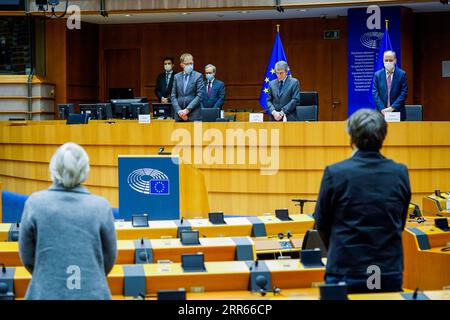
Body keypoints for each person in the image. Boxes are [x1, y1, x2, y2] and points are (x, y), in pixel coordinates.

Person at [314, 109, 411, 294]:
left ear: (351, 138)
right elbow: (400, 222)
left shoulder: (335, 173)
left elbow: (322, 224)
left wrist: (338, 248)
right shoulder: (400, 173)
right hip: (387, 268)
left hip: (345, 267)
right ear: (383, 137)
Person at [19, 143, 117, 300]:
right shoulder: (101, 206)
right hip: (91, 292)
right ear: (85, 170)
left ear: (53, 169)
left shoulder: (35, 203)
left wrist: (49, 274)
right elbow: (108, 258)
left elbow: (27, 256)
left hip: (46, 291)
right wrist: (89, 276)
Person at [372, 50, 408, 121]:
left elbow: (404, 93)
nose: (388, 62)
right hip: (381, 113)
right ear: (383, 60)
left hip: (397, 112)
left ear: (395, 61)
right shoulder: (377, 75)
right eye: (386, 60)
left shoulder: (402, 74)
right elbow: (375, 93)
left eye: (390, 60)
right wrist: (382, 109)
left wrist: (392, 108)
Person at [171, 53, 204, 122]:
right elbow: (173, 96)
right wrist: (179, 111)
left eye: (191, 63)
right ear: (181, 65)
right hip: (179, 115)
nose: (190, 66)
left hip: (194, 114)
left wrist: (187, 110)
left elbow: (200, 95)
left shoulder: (198, 76)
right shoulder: (176, 77)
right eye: (187, 64)